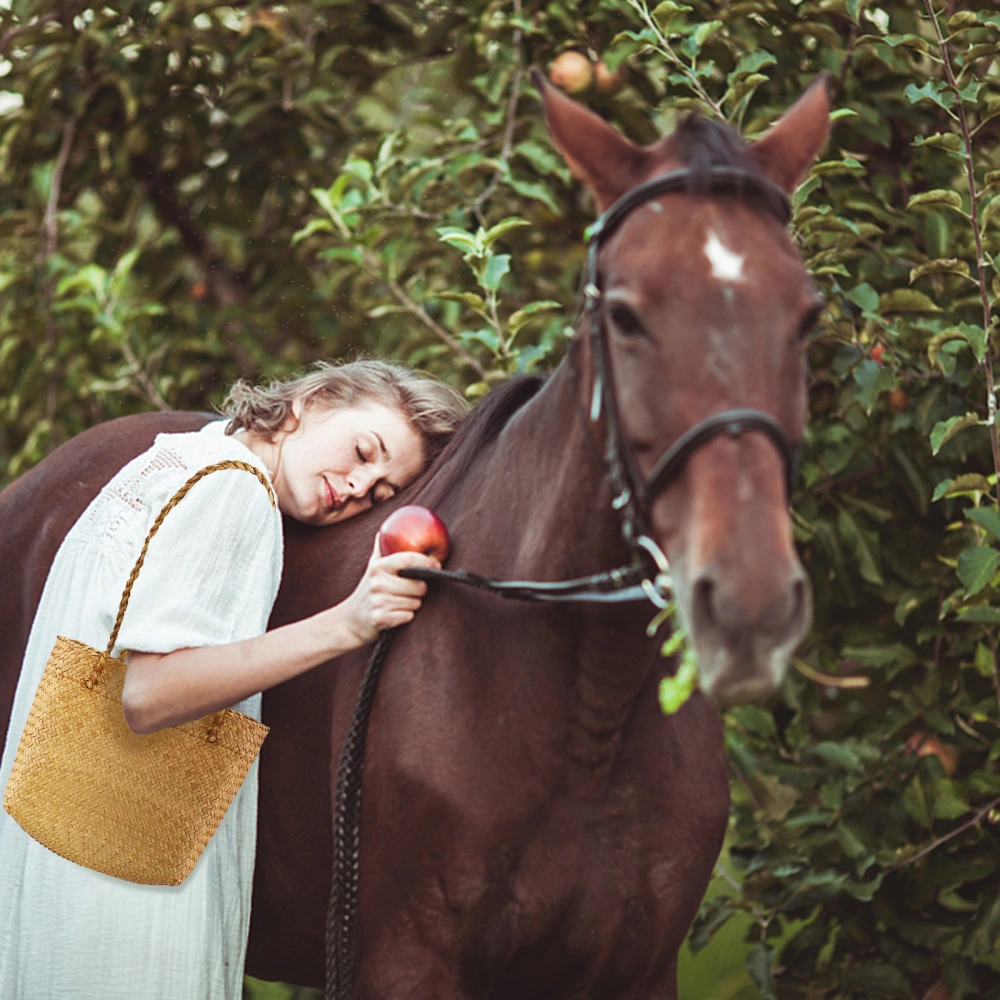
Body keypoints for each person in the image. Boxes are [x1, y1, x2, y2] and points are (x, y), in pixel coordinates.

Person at [0, 359, 468, 1000]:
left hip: (61, 846)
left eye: (382, 494)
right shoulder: (237, 492)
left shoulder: (174, 458)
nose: (359, 486)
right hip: (128, 877)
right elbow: (148, 695)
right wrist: (349, 624)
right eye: (364, 450)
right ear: (317, 400)